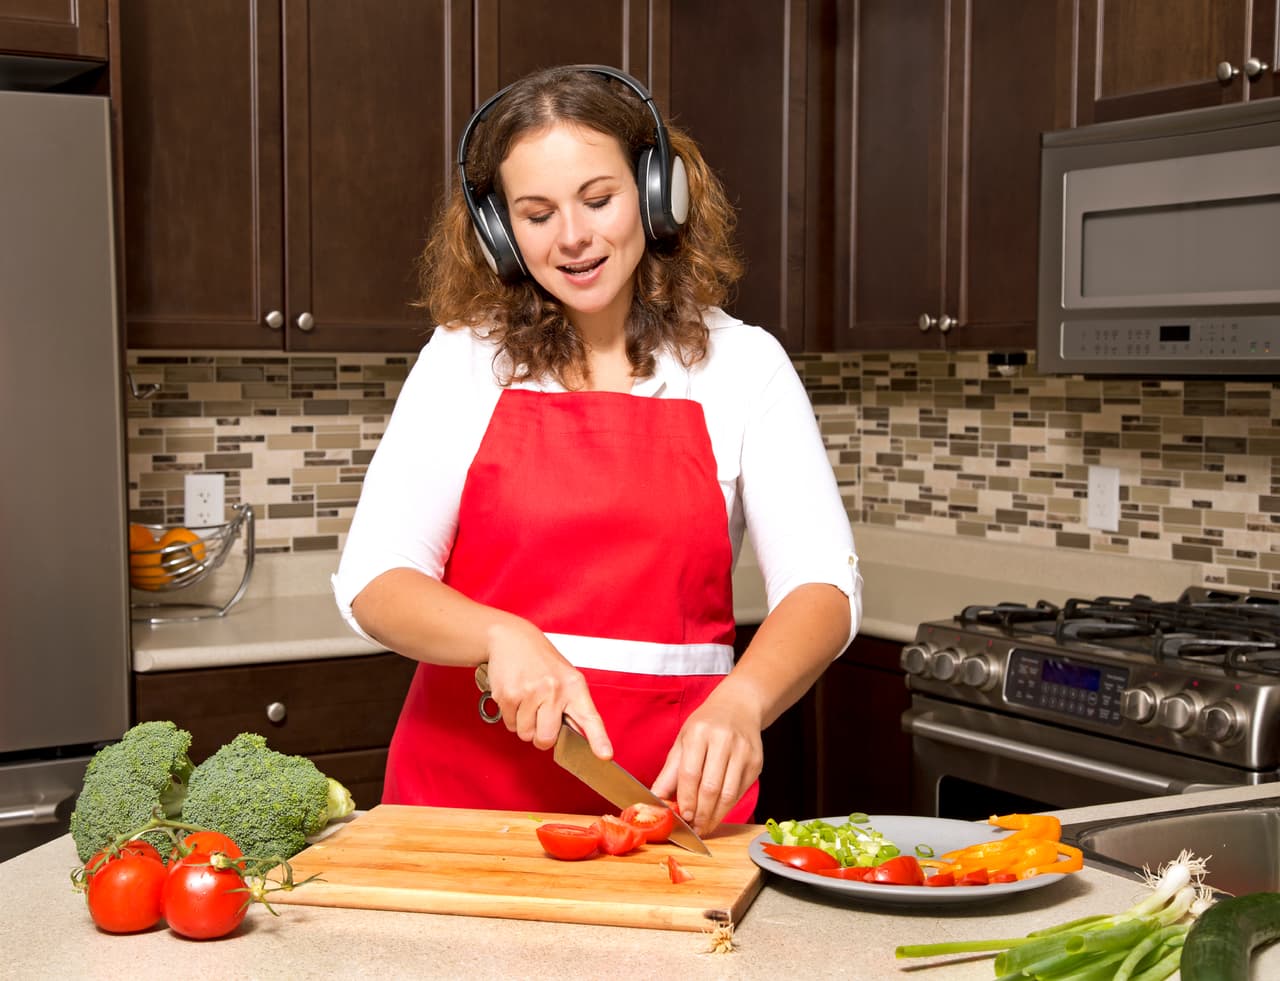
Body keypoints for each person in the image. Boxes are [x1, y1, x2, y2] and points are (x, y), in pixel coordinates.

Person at [332, 64, 861, 836]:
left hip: (669, 810)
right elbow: (374, 580)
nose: (573, 237)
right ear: (498, 231)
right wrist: (498, 633)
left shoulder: (743, 367)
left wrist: (744, 700)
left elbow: (823, 587)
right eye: (536, 213)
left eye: (599, 200)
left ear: (658, 193)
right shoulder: (462, 359)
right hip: (463, 816)